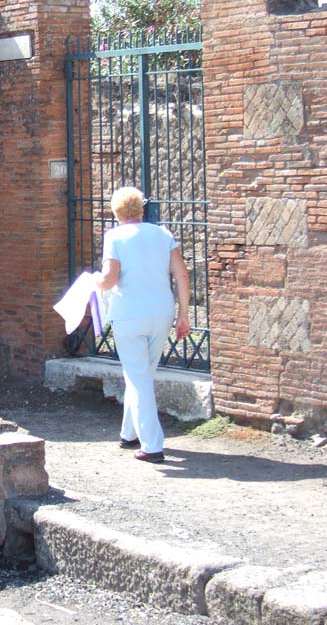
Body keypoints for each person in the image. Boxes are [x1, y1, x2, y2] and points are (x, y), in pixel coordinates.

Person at [94, 187, 190, 463]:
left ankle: (152, 445)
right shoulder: (163, 234)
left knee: (138, 377)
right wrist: (184, 314)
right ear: (141, 209)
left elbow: (110, 279)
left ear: (116, 212)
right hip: (162, 310)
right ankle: (129, 432)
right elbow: (181, 274)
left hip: (129, 313)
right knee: (142, 372)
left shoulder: (114, 236)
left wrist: (94, 281)